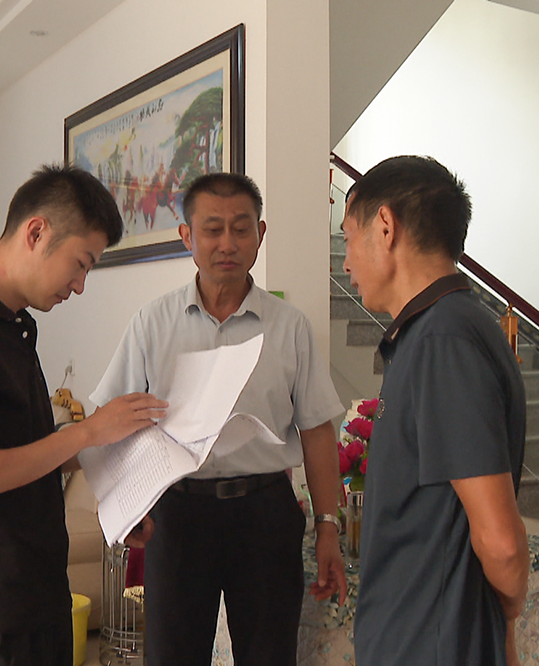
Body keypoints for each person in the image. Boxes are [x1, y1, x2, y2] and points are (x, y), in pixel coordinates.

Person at [0, 164, 167, 666]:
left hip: (40, 593)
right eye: (81, 264)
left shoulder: (16, 327)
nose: (80, 285)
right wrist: (87, 431)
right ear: (36, 232)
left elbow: (32, 455)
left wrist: (117, 497)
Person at [91, 172, 348, 666]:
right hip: (178, 515)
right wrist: (127, 507)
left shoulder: (289, 328)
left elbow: (317, 430)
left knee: (270, 655)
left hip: (265, 512)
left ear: (260, 234)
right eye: (212, 229)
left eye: (241, 228)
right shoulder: (152, 324)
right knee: (172, 656)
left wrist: (328, 526)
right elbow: (110, 422)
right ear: (187, 236)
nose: (227, 243)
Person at [341, 156, 529, 666]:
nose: (346, 263)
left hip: (433, 644)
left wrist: (506, 619)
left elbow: (502, 543)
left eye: (348, 238)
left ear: (385, 227)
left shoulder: (445, 341)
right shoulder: (433, 331)